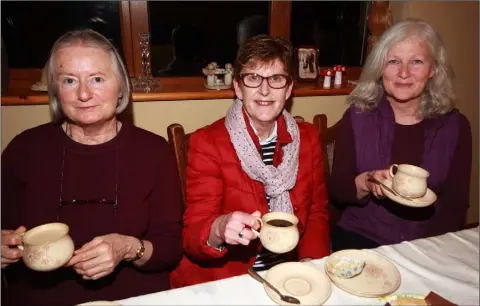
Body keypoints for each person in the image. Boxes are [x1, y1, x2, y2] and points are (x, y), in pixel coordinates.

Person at [1, 29, 183, 306]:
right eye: (69, 80)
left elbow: (170, 248)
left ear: (121, 85)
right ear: (55, 90)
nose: (84, 93)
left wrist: (128, 248)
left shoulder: (154, 151)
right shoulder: (24, 149)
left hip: (131, 298)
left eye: (97, 79)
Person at [170, 34, 330, 288]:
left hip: (285, 274)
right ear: (237, 87)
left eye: (276, 79)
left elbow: (316, 214)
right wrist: (220, 228)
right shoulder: (207, 143)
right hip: (226, 279)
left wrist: (311, 266)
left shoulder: (308, 138)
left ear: (288, 89)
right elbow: (192, 237)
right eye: (253, 78)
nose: (264, 90)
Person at [328, 19, 472, 251]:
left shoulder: (456, 127)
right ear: (380, 69)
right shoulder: (357, 116)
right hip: (360, 238)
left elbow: (455, 207)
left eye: (416, 61)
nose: (404, 73)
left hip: (427, 244)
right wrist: (366, 181)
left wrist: (425, 251)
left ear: (433, 69)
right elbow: (337, 191)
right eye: (393, 61)